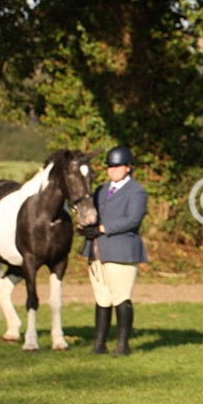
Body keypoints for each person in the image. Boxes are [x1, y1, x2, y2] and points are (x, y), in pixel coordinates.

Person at [82, 145, 148, 356]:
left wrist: (102, 228)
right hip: (98, 249)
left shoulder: (136, 191)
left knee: (120, 296)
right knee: (102, 297)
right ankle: (99, 343)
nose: (113, 170)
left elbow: (133, 219)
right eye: (110, 167)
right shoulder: (101, 189)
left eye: (117, 166)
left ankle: (123, 345)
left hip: (122, 249)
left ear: (128, 168)